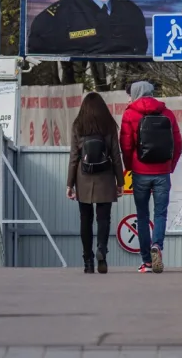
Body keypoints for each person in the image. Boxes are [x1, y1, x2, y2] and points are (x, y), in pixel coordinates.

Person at [119, 81, 182, 274]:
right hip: (162, 171)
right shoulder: (167, 113)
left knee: (142, 215)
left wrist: (130, 166)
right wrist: (170, 165)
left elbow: (126, 144)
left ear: (136, 93)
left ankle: (146, 261)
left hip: (140, 172)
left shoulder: (130, 114)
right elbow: (177, 143)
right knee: (161, 213)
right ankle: (157, 246)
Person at [67, 92, 124, 274]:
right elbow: (116, 155)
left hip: (83, 178)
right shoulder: (108, 125)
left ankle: (87, 260)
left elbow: (74, 158)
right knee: (103, 218)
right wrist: (120, 181)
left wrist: (70, 184)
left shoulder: (78, 125)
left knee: (85, 219)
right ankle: (102, 251)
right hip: (105, 177)